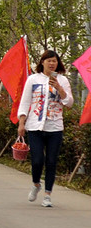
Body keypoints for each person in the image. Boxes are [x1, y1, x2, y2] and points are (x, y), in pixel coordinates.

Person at [17, 49, 73, 207]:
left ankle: (48, 194)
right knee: (37, 160)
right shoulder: (33, 79)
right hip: (35, 126)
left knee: (51, 161)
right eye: (49, 61)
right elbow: (25, 102)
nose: (52, 63)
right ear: (42, 62)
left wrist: (59, 89)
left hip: (55, 127)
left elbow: (69, 103)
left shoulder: (63, 80)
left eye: (54, 61)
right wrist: (21, 123)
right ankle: (36, 184)